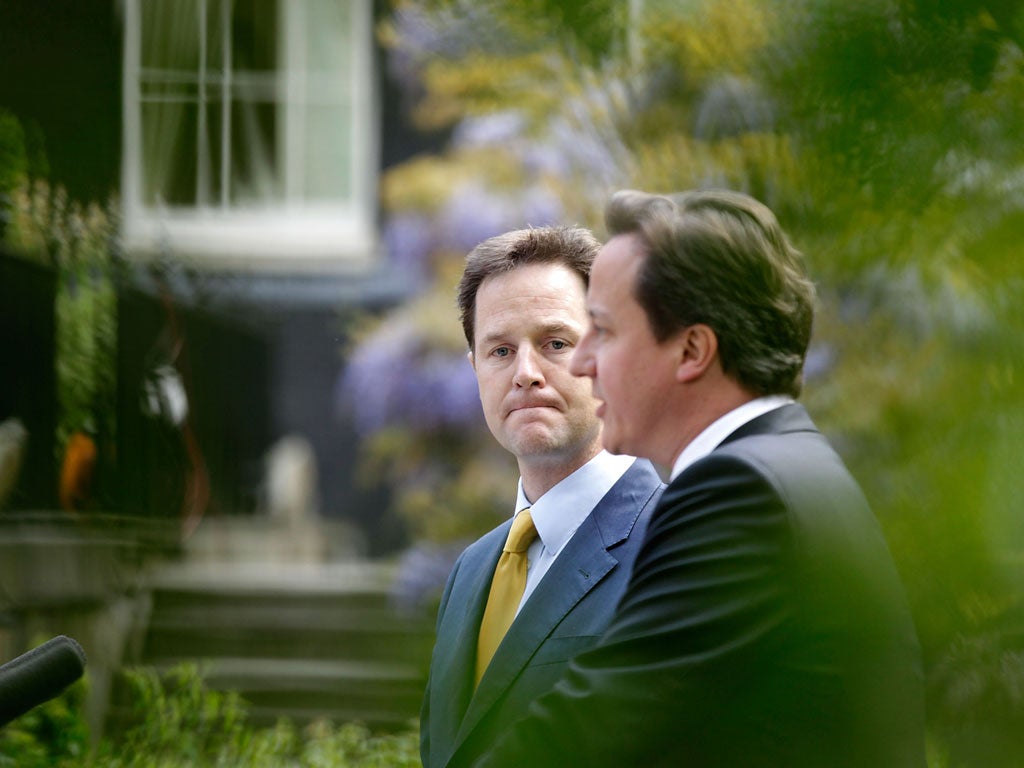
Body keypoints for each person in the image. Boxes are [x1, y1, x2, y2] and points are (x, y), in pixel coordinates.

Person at [452, 190, 927, 768]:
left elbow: (589, 729)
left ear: (693, 350)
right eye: (499, 350)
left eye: (601, 332)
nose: (581, 363)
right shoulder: (785, 464)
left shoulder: (741, 493)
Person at [420, 226, 664, 768]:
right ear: (476, 371)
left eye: (555, 343)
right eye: (500, 351)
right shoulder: (470, 571)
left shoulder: (679, 546)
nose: (525, 374)